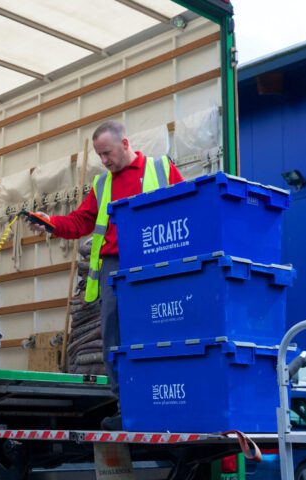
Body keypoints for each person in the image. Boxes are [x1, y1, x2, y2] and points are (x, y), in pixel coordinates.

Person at [25, 120, 184, 430]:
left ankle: (169, 399)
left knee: (159, 332)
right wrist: (50, 222)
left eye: (107, 153)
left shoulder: (161, 169)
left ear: (126, 144)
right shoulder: (102, 186)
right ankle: (127, 405)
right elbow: (79, 222)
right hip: (114, 268)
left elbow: (187, 209)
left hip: (156, 264)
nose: (104, 161)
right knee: (115, 336)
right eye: (99, 155)